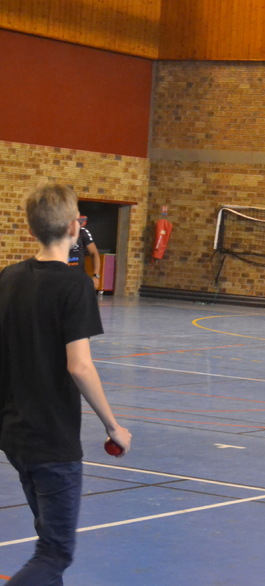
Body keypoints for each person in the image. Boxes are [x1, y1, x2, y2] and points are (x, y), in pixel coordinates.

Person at [0, 184, 132, 584]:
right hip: (52, 439)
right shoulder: (75, 285)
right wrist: (113, 425)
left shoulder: (8, 277)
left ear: (31, 229)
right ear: (75, 227)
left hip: (15, 436)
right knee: (54, 553)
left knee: (48, 547)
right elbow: (80, 366)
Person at [68, 215, 102, 291]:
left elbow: (94, 253)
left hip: (79, 277)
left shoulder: (83, 232)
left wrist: (96, 275)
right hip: (62, 277)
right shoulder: (57, 233)